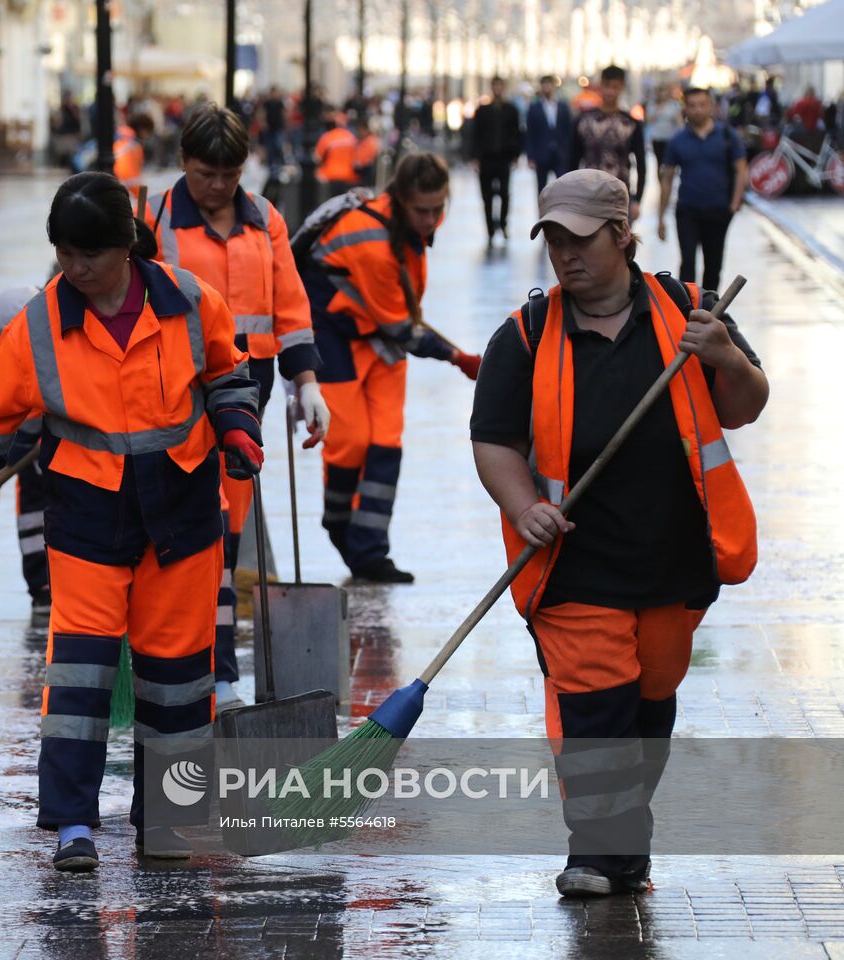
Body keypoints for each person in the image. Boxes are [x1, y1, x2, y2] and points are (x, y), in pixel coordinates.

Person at [0, 172, 263, 872]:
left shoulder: (187, 302)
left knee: (179, 680)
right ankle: (71, 824)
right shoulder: (38, 327)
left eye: (86, 255)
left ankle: (171, 822)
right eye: (62, 252)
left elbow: (227, 374)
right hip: (88, 517)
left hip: (180, 516)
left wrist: (237, 429)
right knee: (80, 678)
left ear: (125, 248)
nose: (73, 268)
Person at [470, 169, 767, 898]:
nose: (565, 255)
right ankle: (596, 854)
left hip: (674, 561)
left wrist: (724, 356)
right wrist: (521, 507)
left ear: (622, 235)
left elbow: (747, 407)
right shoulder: (526, 334)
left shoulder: (689, 311)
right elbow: (493, 440)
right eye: (554, 241)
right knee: (595, 704)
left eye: (580, 239)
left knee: (650, 702)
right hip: (573, 564)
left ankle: (625, 840)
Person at [144, 103, 329, 713]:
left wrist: (308, 386)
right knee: (192, 532)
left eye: (229, 174)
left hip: (249, 389)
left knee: (227, 532)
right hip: (174, 391)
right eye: (205, 174)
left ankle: (219, 670)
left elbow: (291, 305)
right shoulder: (157, 218)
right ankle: (185, 660)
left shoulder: (264, 220)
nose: (218, 187)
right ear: (183, 164)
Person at [295, 153, 481, 583]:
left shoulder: (402, 227)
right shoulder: (372, 242)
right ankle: (340, 524)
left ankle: (371, 552)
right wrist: (458, 359)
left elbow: (400, 316)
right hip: (332, 337)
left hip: (374, 338)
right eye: (423, 211)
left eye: (439, 209)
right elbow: (402, 327)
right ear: (399, 200)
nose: (432, 219)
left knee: (386, 443)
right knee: (351, 440)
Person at [0, 285, 52, 611]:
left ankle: (46, 584)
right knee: (32, 514)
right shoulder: (22, 357)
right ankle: (42, 584)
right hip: (33, 454)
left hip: (53, 450)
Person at [657, 88, 748, 294]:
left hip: (718, 209)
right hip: (688, 209)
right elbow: (668, 178)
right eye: (692, 105)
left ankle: (708, 310)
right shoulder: (678, 140)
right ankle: (686, 308)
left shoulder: (727, 135)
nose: (697, 110)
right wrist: (661, 216)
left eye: (702, 104)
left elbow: (741, 169)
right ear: (686, 109)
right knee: (687, 263)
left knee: (713, 264)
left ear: (711, 107)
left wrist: (734, 204)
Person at [568, 66, 647, 222]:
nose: (610, 91)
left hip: (620, 194)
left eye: (615, 87)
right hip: (588, 194)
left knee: (620, 243)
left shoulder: (631, 123)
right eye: (606, 86)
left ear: (622, 87)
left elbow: (641, 163)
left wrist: (637, 199)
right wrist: (571, 195)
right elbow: (572, 160)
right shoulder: (583, 121)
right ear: (600, 86)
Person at [471, 77, 524, 244]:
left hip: (503, 158)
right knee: (486, 195)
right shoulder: (482, 111)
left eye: (500, 85)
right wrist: (475, 157)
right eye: (495, 86)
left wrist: (515, 156)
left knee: (504, 194)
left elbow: (517, 134)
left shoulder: (511, 110)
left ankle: (502, 223)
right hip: (486, 159)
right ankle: (490, 228)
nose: (497, 89)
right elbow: (475, 134)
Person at [526, 75, 572, 194]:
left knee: (563, 187)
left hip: (560, 154)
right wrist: (530, 156)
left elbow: (568, 131)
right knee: (542, 189)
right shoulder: (534, 108)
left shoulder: (563, 107)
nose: (547, 87)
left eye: (549, 84)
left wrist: (569, 152)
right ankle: (543, 212)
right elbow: (530, 133)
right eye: (544, 84)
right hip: (541, 154)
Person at [315, 112, 360, 197]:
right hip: (348, 176)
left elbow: (317, 157)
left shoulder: (328, 137)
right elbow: (357, 159)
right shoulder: (352, 137)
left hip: (331, 176)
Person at [644, 85, 683, 173]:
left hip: (670, 136)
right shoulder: (652, 105)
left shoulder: (673, 105)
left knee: (669, 161)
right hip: (656, 136)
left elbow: (678, 120)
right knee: (659, 161)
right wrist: (658, 111)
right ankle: (661, 181)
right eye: (660, 91)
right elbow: (648, 120)